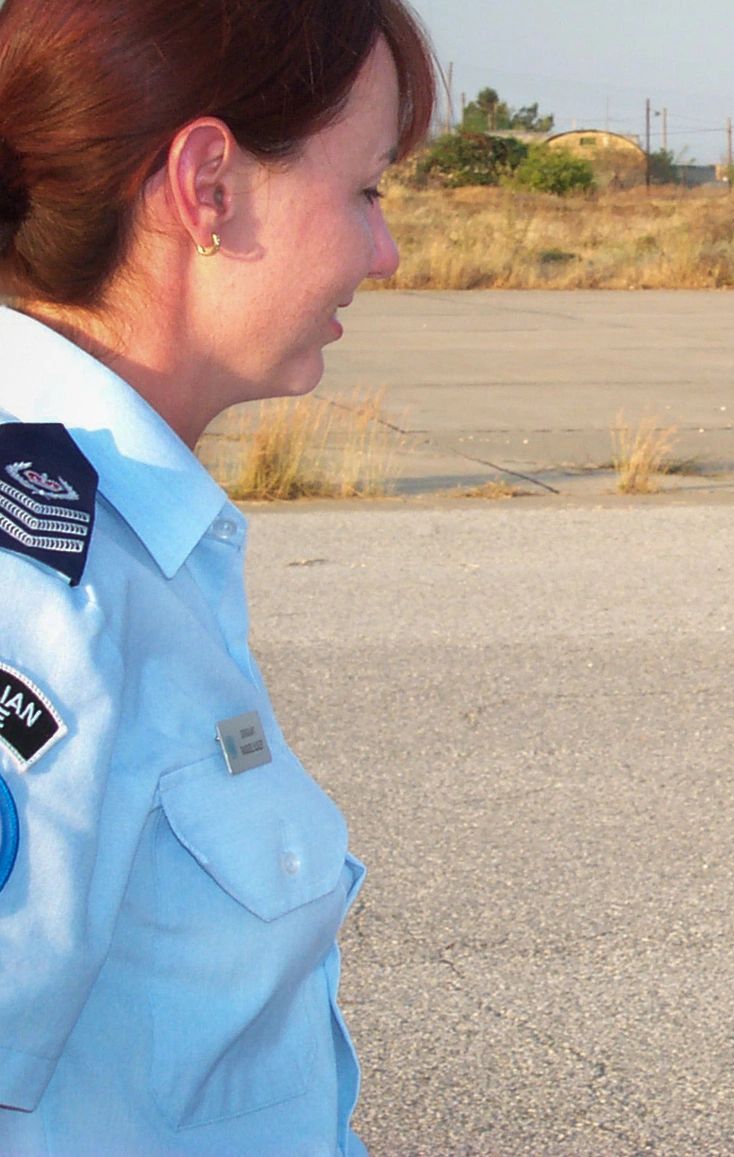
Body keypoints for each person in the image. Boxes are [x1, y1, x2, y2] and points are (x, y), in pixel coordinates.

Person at [0, 1, 435, 1151]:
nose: (383, 252)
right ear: (208, 186)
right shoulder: (34, 593)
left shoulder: (119, 533)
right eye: (367, 189)